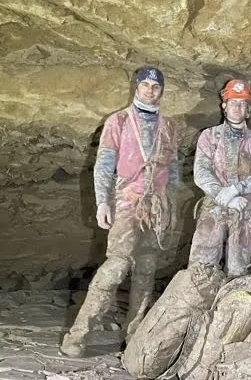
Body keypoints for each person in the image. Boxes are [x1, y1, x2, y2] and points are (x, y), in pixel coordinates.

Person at [60, 66, 179, 358]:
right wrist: (103, 202)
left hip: (156, 206)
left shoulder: (169, 126)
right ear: (136, 87)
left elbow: (173, 170)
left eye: (156, 86)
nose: (150, 90)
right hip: (128, 200)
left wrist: (171, 206)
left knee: (147, 268)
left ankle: (133, 335)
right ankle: (78, 335)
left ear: (161, 91)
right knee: (116, 266)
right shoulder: (119, 121)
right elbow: (104, 165)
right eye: (145, 85)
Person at [188, 80, 251, 276]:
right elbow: (201, 172)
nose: (237, 107)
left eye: (242, 104)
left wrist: (236, 189)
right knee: (201, 270)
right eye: (233, 102)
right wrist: (222, 194)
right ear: (224, 106)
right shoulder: (209, 136)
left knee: (238, 273)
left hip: (245, 213)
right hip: (213, 209)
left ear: (248, 110)